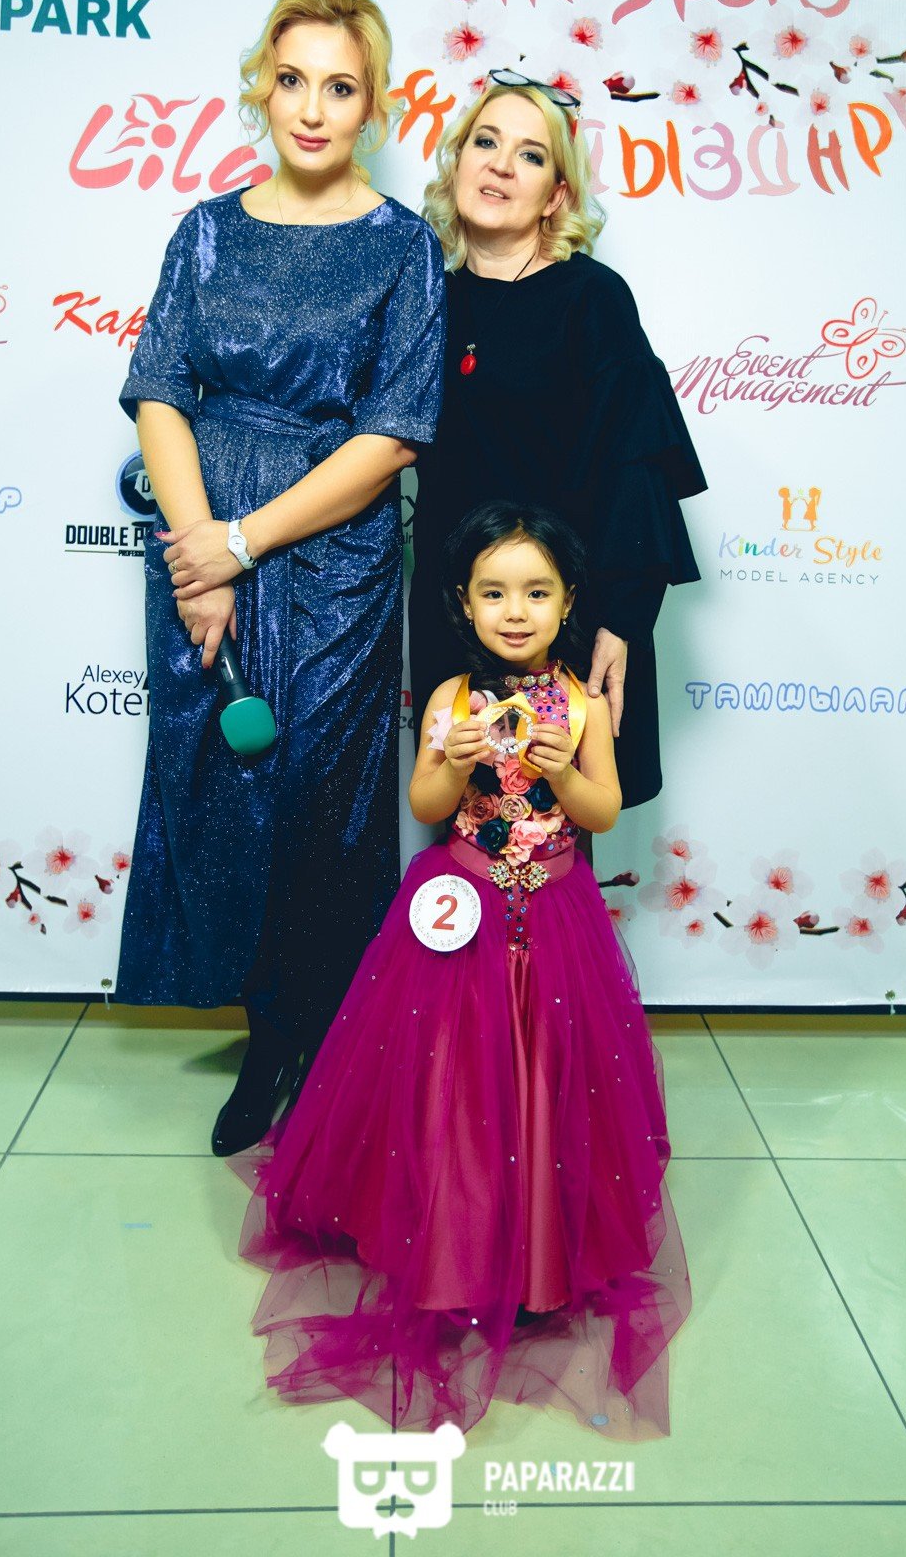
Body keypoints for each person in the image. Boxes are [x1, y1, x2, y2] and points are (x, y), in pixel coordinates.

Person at [233, 503, 690, 1438]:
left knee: (546, 1079)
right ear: (464, 603)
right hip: (461, 912)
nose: (515, 611)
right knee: (453, 1080)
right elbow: (427, 801)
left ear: (569, 603)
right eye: (494, 593)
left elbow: (602, 812)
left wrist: (564, 772)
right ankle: (449, 1249)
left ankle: (537, 1260)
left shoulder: (584, 704)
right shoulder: (449, 696)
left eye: (537, 592)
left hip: (554, 916)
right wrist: (453, 758)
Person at [114, 0, 446, 1155]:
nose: (310, 108)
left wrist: (245, 542)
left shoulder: (402, 247)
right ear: (260, 86)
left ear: (372, 105)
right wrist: (201, 557)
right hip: (202, 541)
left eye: (339, 87)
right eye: (292, 79)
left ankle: (321, 1036)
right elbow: (161, 390)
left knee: (320, 798)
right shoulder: (204, 231)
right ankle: (265, 1033)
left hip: (334, 559)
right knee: (223, 785)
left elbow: (393, 433)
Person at [411, 71, 706, 808]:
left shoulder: (592, 297)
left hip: (563, 619)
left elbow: (637, 467)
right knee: (462, 823)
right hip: (455, 614)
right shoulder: (422, 298)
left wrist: (621, 622)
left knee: (556, 831)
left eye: (531, 154)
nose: (501, 165)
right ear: (457, 163)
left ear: (557, 195)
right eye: (485, 142)